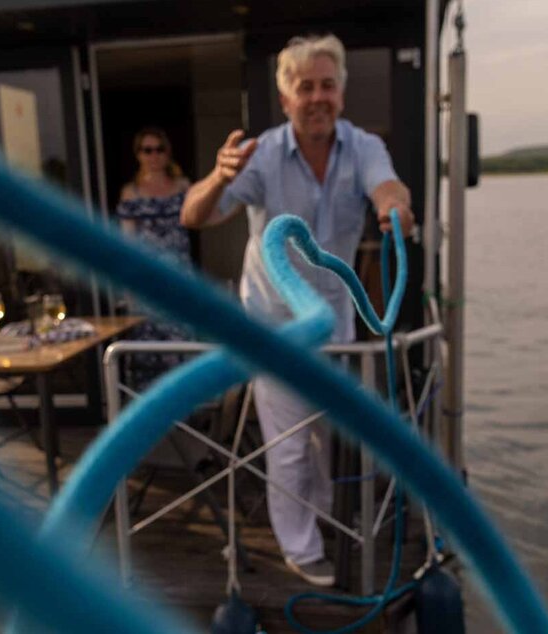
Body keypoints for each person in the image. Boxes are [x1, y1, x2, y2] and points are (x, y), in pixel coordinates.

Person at [180, 34, 414, 587]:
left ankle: (327, 520)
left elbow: (389, 189)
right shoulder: (259, 155)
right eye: (304, 87)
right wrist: (219, 176)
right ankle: (301, 547)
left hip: (336, 324)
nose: (317, 97)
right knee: (288, 447)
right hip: (272, 327)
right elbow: (194, 215)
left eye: (326, 85)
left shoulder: (362, 146)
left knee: (324, 436)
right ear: (285, 100)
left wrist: (396, 211)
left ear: (341, 94)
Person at [115, 126, 192, 390]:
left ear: (167, 152)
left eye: (159, 149)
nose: (154, 156)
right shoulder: (131, 193)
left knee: (181, 350)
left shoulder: (183, 187)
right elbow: (127, 244)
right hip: (147, 284)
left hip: (179, 280)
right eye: (147, 150)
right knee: (147, 354)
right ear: (138, 154)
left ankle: (185, 418)